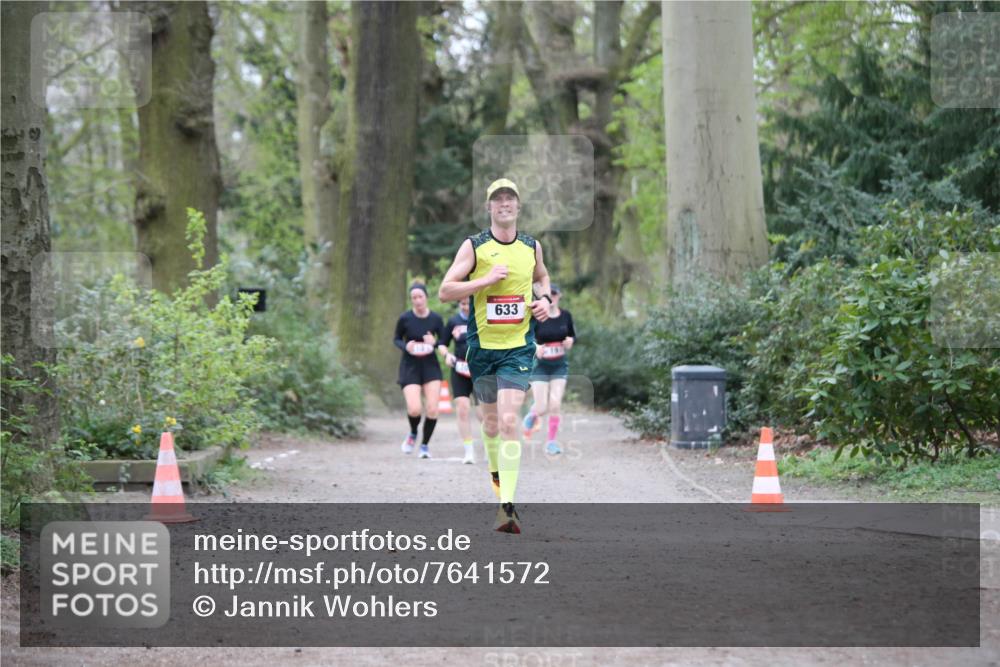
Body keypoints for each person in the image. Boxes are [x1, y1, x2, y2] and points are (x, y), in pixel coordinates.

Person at [439, 178, 553, 533]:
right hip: (481, 350)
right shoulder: (474, 247)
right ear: (489, 207)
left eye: (510, 199)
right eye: (497, 199)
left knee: (507, 422)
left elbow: (543, 277)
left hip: (517, 348)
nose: (504, 204)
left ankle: (508, 508)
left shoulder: (532, 246)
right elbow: (445, 291)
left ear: (518, 207)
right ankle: (498, 487)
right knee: (490, 424)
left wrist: (545, 300)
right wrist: (484, 281)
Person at [393, 282, 446, 459]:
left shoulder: (436, 319)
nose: (417, 300)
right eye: (413, 298)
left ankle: (424, 446)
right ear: (411, 300)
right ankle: (413, 432)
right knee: (415, 409)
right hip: (410, 366)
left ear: (426, 297)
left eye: (420, 297)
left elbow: (444, 342)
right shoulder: (405, 318)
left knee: (432, 409)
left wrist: (435, 343)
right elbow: (396, 339)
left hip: (430, 367)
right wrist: (405, 345)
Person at [523, 285, 575, 455]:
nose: (551, 296)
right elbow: (527, 338)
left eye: (554, 293)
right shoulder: (537, 317)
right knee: (541, 407)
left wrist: (569, 341)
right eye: (549, 293)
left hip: (559, 365)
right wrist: (536, 346)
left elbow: (572, 335)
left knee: (555, 405)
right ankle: (532, 414)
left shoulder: (566, 316)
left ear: (559, 296)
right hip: (541, 366)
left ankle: (551, 442)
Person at [437, 296, 477, 464]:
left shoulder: (482, 318)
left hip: (480, 371)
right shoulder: (453, 321)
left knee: (485, 414)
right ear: (459, 304)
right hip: (459, 369)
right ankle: (469, 451)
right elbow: (442, 343)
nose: (466, 307)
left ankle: (492, 448)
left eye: (469, 303)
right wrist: (446, 355)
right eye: (463, 304)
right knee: (462, 408)